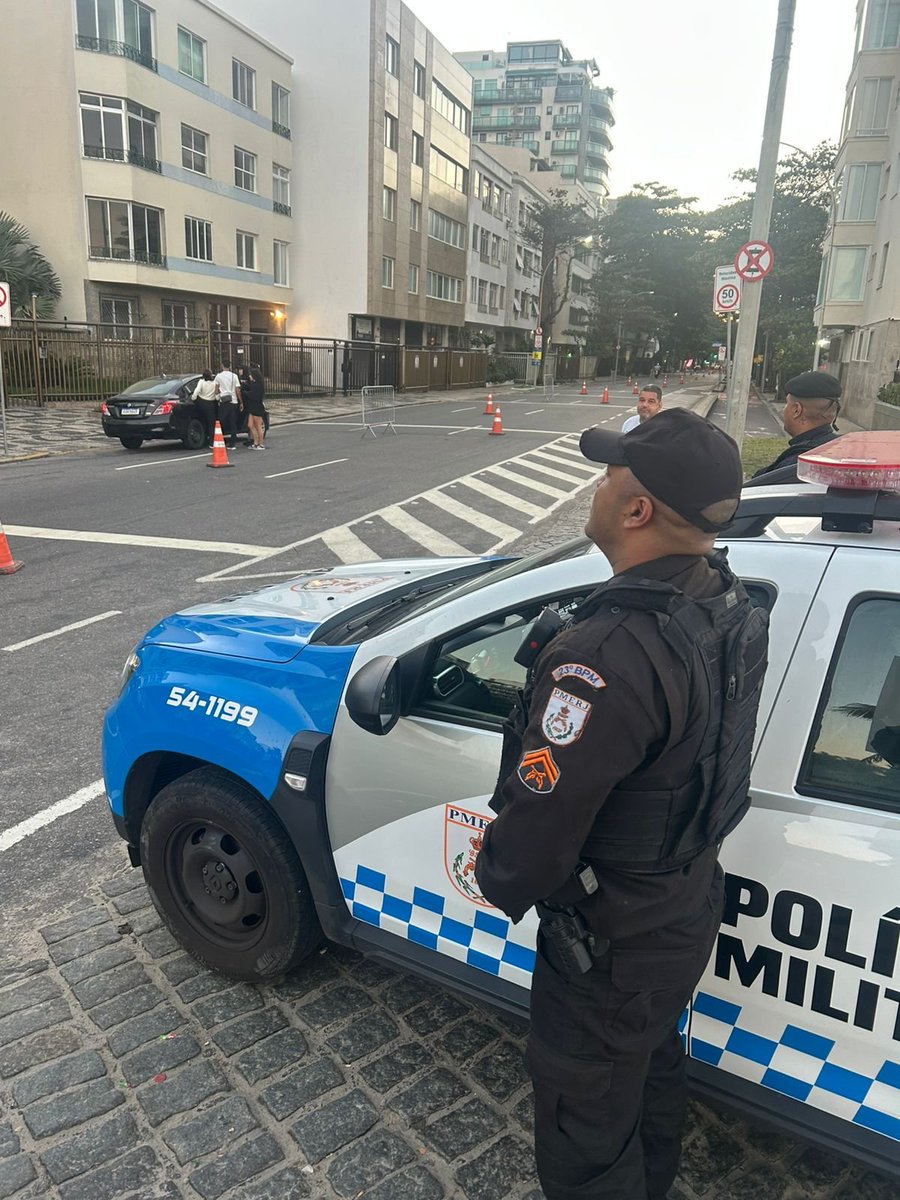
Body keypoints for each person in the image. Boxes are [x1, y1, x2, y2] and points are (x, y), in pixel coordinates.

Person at [475, 409, 769, 1200]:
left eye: (609, 476)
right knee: (646, 1070)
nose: (597, 487)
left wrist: (495, 872)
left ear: (637, 510)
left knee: (586, 1122)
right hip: (680, 908)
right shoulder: (726, 601)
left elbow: (535, 839)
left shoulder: (604, 656)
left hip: (610, 945)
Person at [744, 369, 842, 487]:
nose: (783, 409)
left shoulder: (797, 466)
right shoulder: (839, 450)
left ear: (797, 410)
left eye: (787, 404)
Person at [213, 360, 242, 448]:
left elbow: (216, 390)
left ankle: (221, 440)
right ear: (230, 366)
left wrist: (218, 396)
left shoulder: (218, 376)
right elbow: (238, 390)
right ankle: (233, 443)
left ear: (222, 365)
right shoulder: (234, 376)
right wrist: (241, 402)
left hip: (223, 402)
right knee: (233, 422)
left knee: (221, 422)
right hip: (233, 401)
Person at [239, 363, 266, 449]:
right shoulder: (253, 384)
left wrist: (246, 393)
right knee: (250, 425)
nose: (249, 376)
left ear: (254, 376)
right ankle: (255, 442)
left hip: (257, 407)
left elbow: (255, 396)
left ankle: (261, 444)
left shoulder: (258, 385)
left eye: (251, 375)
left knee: (258, 426)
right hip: (251, 407)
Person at [191, 369, 218, 447]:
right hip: (211, 404)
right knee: (211, 424)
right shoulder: (214, 383)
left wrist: (193, 398)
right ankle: (211, 442)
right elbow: (217, 395)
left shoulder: (201, 382)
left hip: (201, 403)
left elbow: (196, 391)